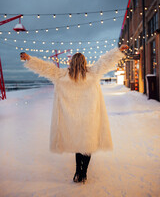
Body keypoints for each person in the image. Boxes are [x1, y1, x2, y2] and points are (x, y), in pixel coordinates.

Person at [20, 44, 128, 183]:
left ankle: (77, 171)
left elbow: (45, 68)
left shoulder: (61, 75)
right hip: (89, 117)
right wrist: (118, 51)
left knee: (78, 145)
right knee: (87, 145)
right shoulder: (93, 73)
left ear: (71, 63)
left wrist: (29, 59)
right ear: (84, 62)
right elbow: (105, 61)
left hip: (71, 118)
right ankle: (83, 173)